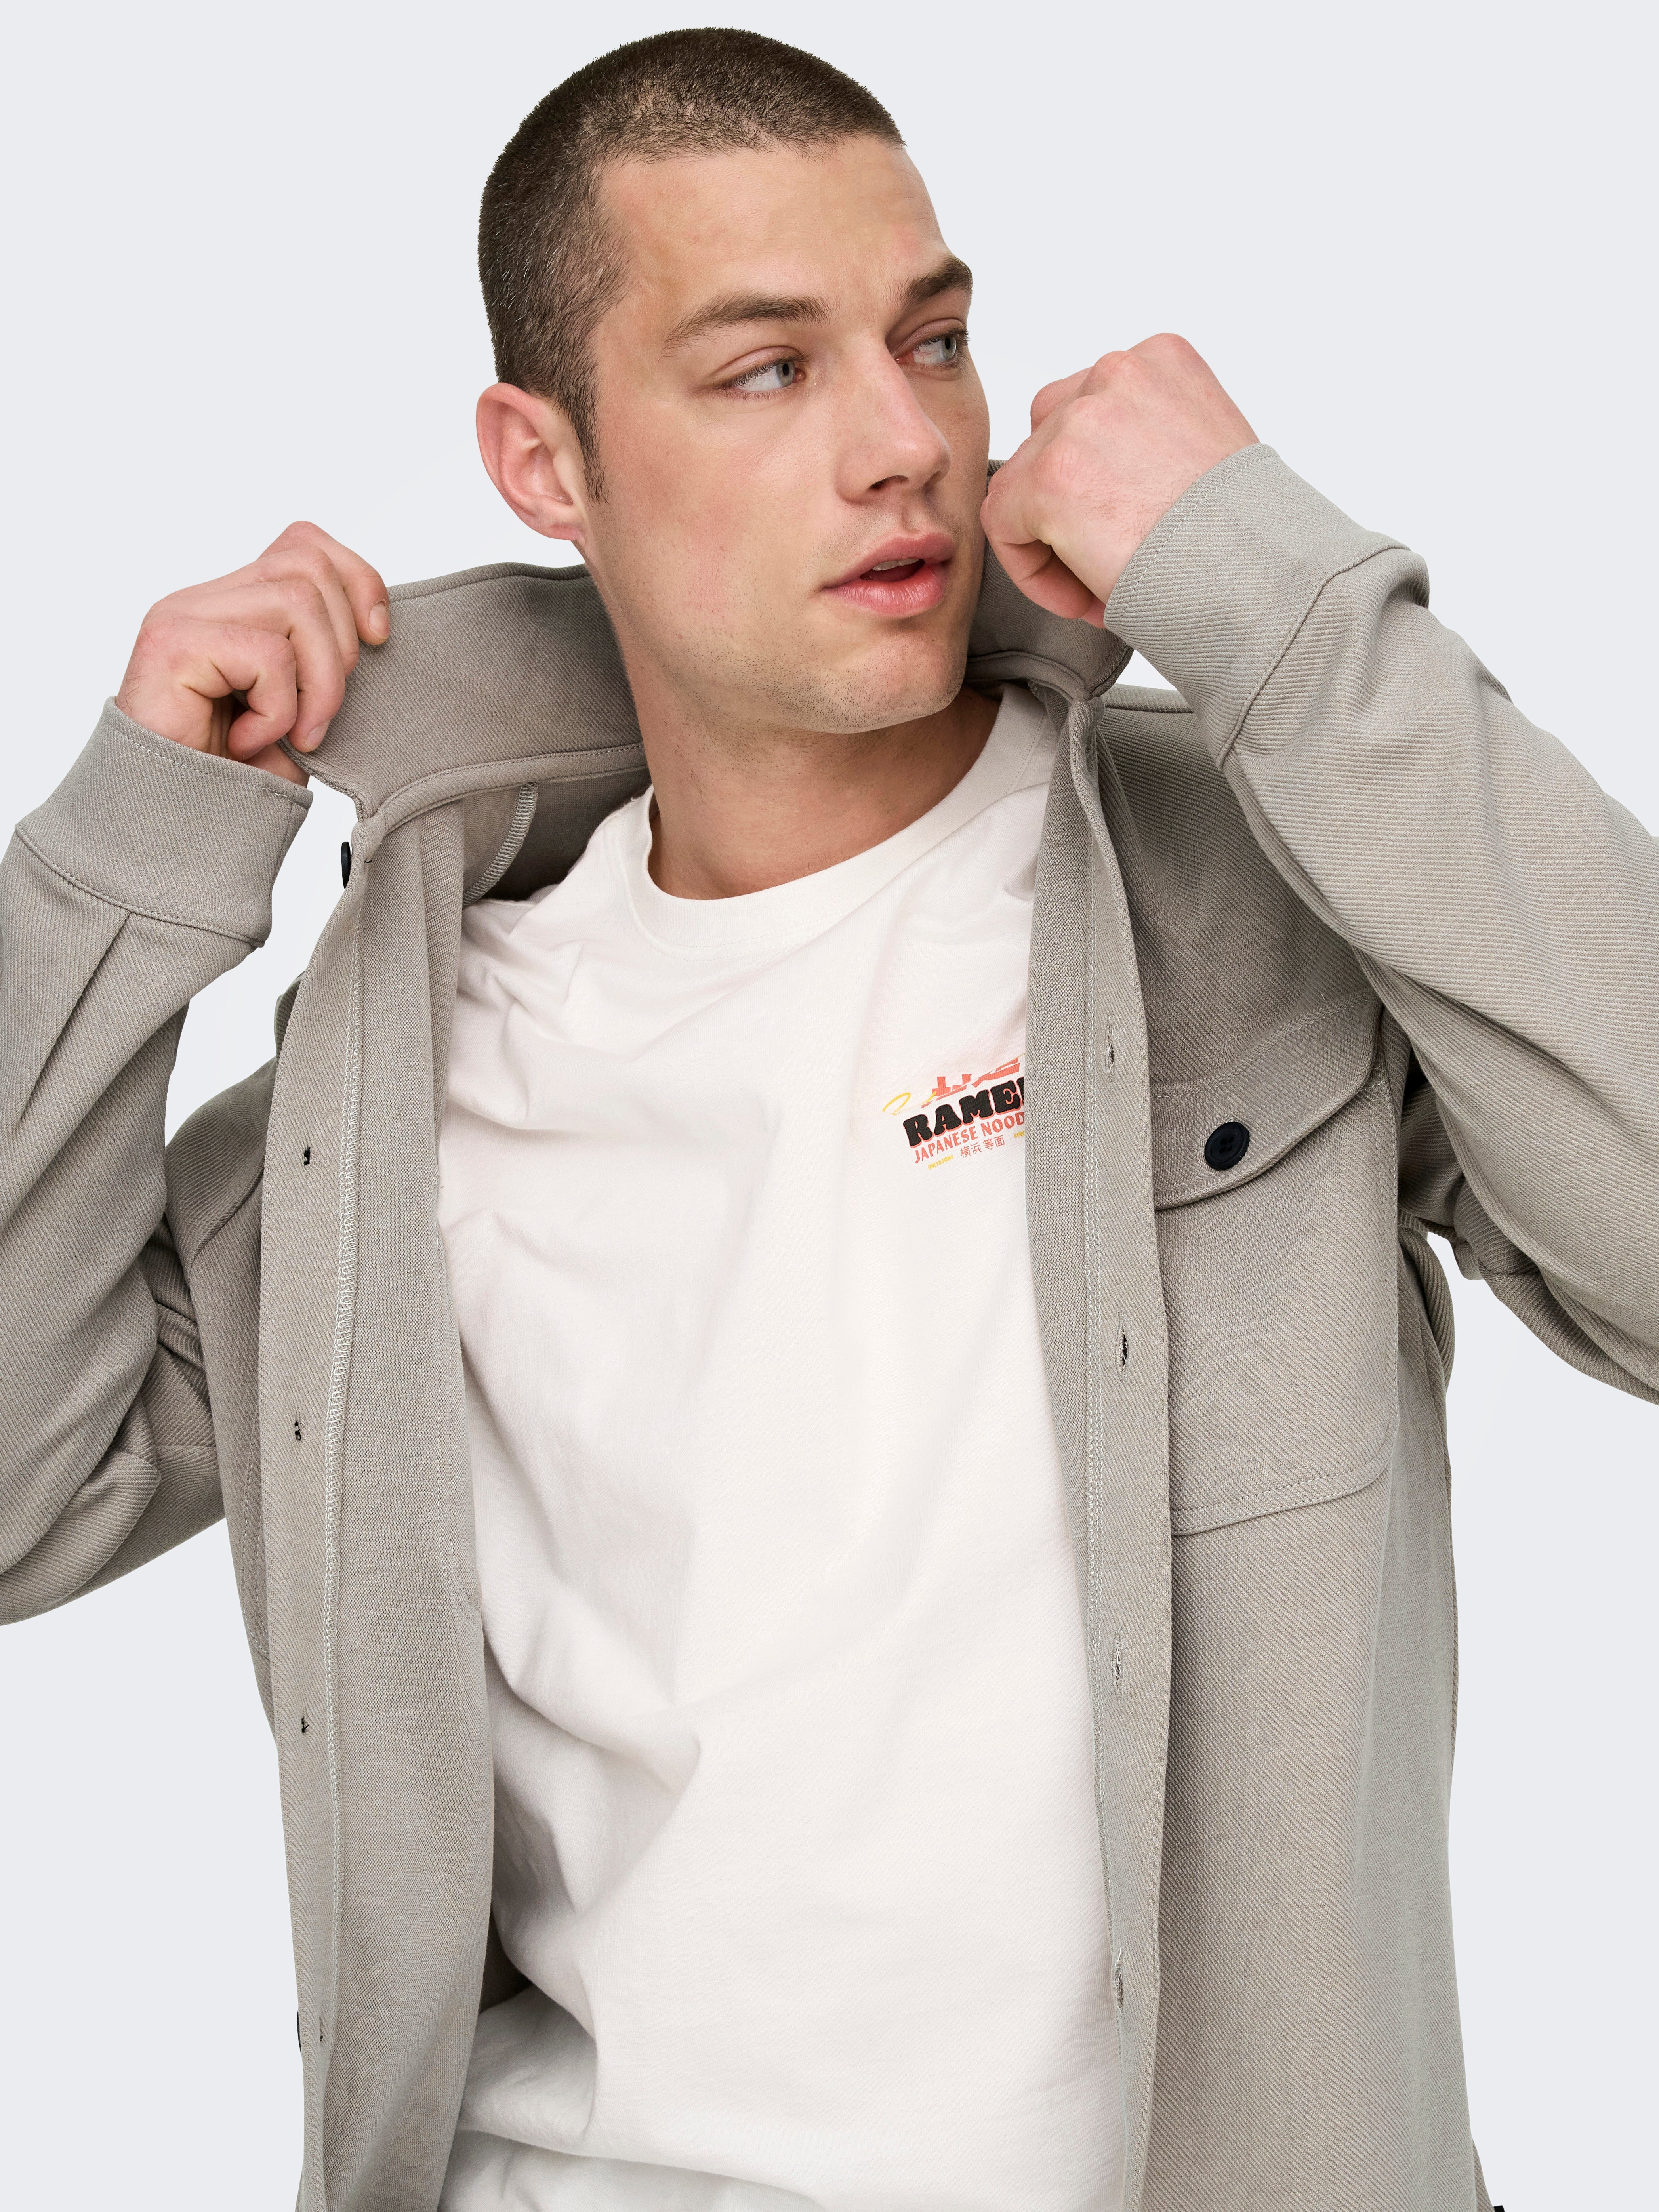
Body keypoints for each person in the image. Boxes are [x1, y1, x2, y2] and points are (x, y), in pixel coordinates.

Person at [2, 24, 1652, 2212]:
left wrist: (1281, 604)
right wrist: (123, 860)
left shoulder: (1255, 886)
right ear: (543, 462)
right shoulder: (394, 1077)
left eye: (934, 340)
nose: (904, 447)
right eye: (766, 369)